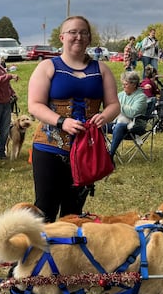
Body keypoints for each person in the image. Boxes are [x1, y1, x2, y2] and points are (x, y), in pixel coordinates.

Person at [27, 15, 120, 222]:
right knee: (45, 209)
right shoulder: (48, 67)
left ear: (89, 38)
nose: (78, 37)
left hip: (86, 150)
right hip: (50, 148)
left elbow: (114, 105)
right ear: (62, 37)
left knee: (74, 212)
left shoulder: (101, 69)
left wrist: (103, 116)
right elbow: (34, 105)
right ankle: (41, 253)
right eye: (73, 32)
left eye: (83, 32)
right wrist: (62, 122)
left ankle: (67, 254)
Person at [108, 71, 148, 157]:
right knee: (97, 124)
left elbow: (132, 113)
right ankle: (97, 152)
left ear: (134, 84)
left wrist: (118, 105)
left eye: (125, 84)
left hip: (136, 126)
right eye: (123, 84)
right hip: (118, 121)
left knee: (120, 126)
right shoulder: (120, 95)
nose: (123, 86)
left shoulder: (141, 97)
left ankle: (110, 155)